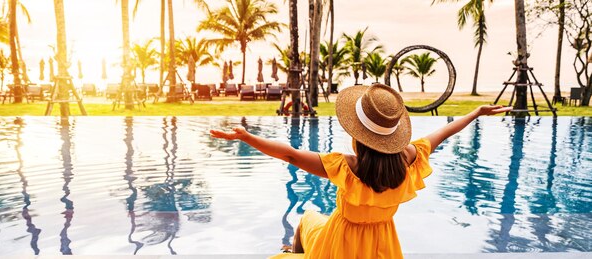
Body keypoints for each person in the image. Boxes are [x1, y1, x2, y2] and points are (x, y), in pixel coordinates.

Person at [210, 84, 512, 259]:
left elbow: (289, 153)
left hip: (339, 242)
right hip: (382, 243)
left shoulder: (347, 166)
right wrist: (476, 112)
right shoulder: (409, 158)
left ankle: (291, 254)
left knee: (306, 220)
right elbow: (444, 132)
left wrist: (247, 137)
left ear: (358, 135)